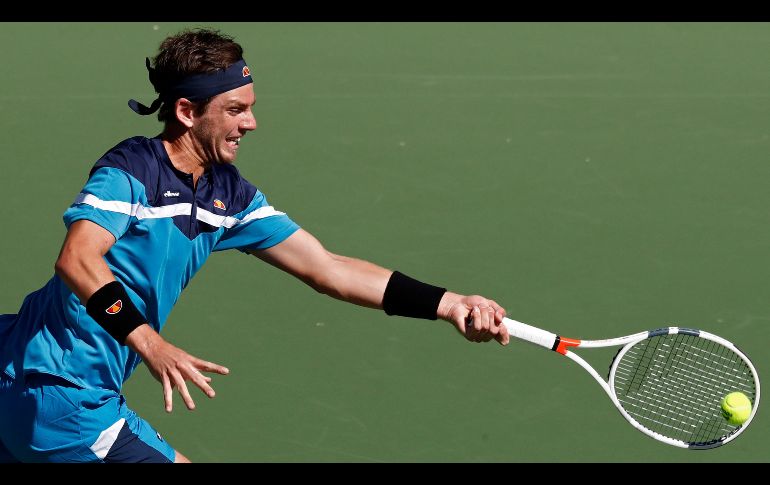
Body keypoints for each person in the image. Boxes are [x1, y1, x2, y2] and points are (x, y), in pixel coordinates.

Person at [0, 28, 509, 463]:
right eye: (235, 109)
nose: (251, 123)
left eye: (251, 108)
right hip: (60, 395)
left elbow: (328, 267)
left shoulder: (228, 195)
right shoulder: (131, 172)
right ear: (186, 111)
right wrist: (148, 342)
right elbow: (77, 258)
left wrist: (447, 303)